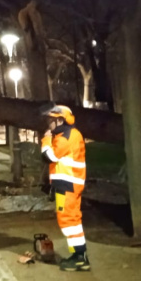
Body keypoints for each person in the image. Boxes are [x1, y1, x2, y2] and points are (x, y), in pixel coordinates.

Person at [41, 104, 90, 271]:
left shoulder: (65, 137)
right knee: (73, 221)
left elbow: (49, 156)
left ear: (60, 120)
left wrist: (46, 139)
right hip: (70, 184)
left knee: (68, 221)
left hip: (67, 185)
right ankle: (79, 256)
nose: (49, 124)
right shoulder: (69, 134)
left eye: (51, 120)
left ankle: (78, 258)